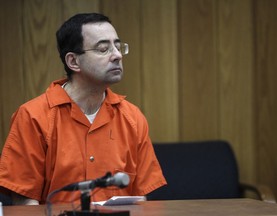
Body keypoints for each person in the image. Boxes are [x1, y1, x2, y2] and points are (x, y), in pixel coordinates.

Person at [0, 13, 167, 205]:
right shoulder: (32, 116)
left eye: (118, 46)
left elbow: (142, 200)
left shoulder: (132, 117)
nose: (117, 55)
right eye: (103, 49)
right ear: (73, 61)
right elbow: (25, 204)